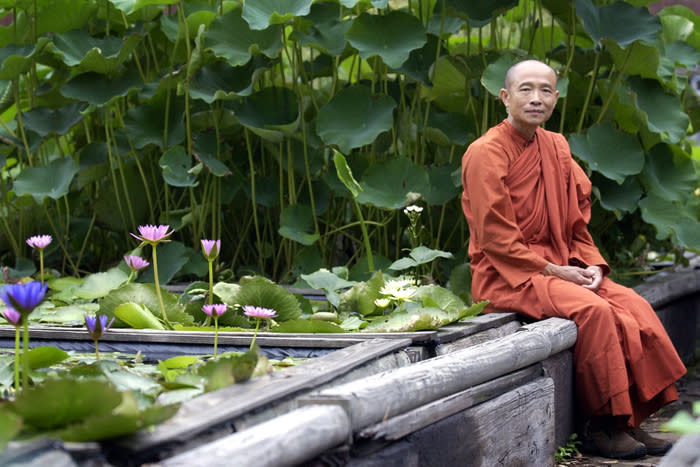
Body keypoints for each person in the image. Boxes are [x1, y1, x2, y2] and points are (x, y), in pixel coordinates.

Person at [460, 59, 686, 460]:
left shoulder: (557, 147)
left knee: (632, 304)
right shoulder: (485, 153)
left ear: (556, 98)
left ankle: (630, 419)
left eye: (545, 90)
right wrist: (550, 269)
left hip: (561, 264)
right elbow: (495, 237)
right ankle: (601, 428)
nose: (536, 98)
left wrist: (592, 266)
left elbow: (575, 224)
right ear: (505, 97)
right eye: (525, 89)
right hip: (510, 274)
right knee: (594, 312)